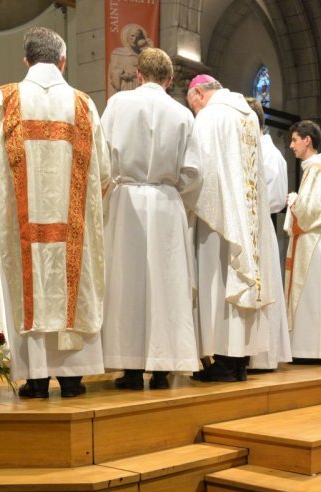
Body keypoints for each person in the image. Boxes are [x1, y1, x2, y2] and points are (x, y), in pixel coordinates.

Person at [0, 27, 111, 399]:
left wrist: (1, 196)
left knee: (30, 287)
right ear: (62, 61)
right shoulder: (83, 104)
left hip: (24, 225)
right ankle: (72, 378)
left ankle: (34, 378)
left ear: (26, 60)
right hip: (73, 226)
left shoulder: (6, 99)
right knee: (70, 288)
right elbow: (106, 170)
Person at [100, 47, 201, 392]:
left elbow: (102, 157)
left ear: (139, 74)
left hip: (126, 200)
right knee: (166, 285)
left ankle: (129, 368)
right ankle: (162, 367)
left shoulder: (118, 105)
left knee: (126, 283)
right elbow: (192, 172)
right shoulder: (183, 114)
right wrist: (176, 197)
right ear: (170, 80)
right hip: (165, 201)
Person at [186, 75, 274, 382]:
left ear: (198, 93)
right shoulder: (248, 115)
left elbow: (197, 169)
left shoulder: (210, 116)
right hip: (248, 219)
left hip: (219, 220)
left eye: (191, 103)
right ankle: (239, 361)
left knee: (218, 284)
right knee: (241, 282)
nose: (194, 110)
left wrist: (184, 201)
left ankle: (223, 361)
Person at [283, 119, 321, 364]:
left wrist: (294, 201)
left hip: (313, 246)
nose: (291, 145)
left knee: (309, 299)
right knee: (309, 298)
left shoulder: (317, 170)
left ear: (307, 140)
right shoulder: (314, 169)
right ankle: (307, 349)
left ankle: (308, 351)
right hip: (312, 243)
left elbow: (312, 211)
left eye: (295, 140)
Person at [247, 96, 292, 372]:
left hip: (261, 226)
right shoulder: (257, 149)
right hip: (254, 225)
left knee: (263, 288)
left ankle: (262, 355)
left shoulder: (270, 154)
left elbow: (277, 199)